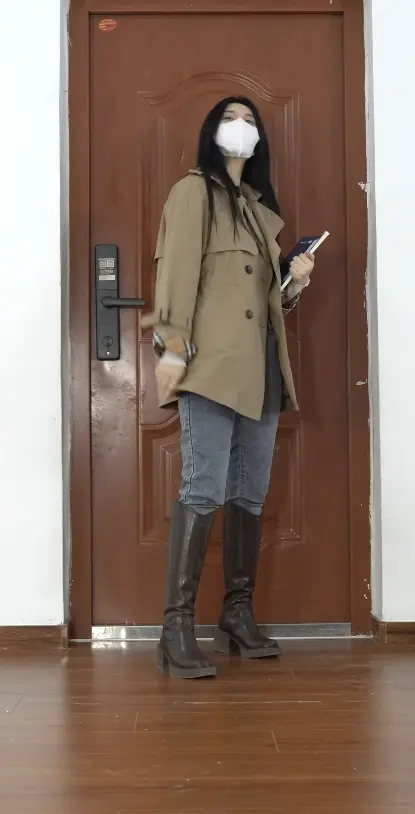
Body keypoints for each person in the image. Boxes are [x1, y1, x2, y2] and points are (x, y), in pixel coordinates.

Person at [143, 96, 314, 679]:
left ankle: (237, 614)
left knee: (249, 493)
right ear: (211, 130)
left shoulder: (258, 208)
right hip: (212, 367)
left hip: (262, 367)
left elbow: (267, 305)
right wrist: (171, 352)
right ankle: (175, 629)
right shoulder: (193, 192)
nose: (241, 127)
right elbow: (174, 278)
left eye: (249, 120)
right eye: (229, 118)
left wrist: (295, 282)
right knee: (203, 488)